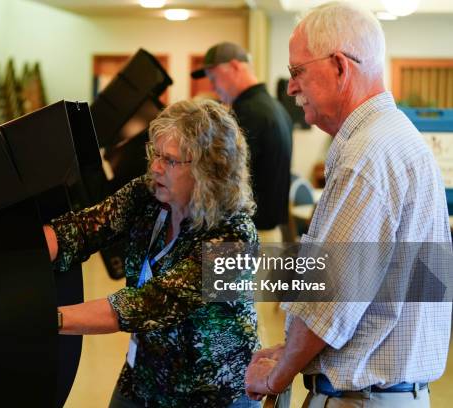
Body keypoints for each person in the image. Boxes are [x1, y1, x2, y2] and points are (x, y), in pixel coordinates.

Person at [244, 2, 452, 408]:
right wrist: (291, 353)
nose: (290, 88)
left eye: (297, 71)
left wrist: (278, 374)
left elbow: (329, 303)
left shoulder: (367, 154)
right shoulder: (393, 136)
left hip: (361, 398)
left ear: (340, 66)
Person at [43, 99, 261, 407]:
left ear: (207, 171)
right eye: (155, 154)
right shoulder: (149, 195)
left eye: (170, 160)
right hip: (145, 375)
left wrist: (47, 319)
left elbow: (150, 304)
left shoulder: (234, 238)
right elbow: (81, 230)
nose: (155, 167)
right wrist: (20, 256)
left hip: (209, 393)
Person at [192, 42, 293, 244]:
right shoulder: (275, 108)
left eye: (214, 77)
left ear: (236, 66)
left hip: (250, 235)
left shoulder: (247, 114)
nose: (212, 86)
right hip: (268, 232)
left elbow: (223, 176)